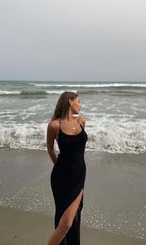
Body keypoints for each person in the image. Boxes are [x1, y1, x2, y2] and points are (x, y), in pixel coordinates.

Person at [46, 91, 88, 245]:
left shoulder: (81, 122)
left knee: (73, 220)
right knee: (64, 222)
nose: (80, 104)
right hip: (60, 177)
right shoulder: (54, 125)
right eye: (79, 101)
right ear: (70, 102)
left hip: (79, 175)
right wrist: (58, 165)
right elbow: (50, 148)